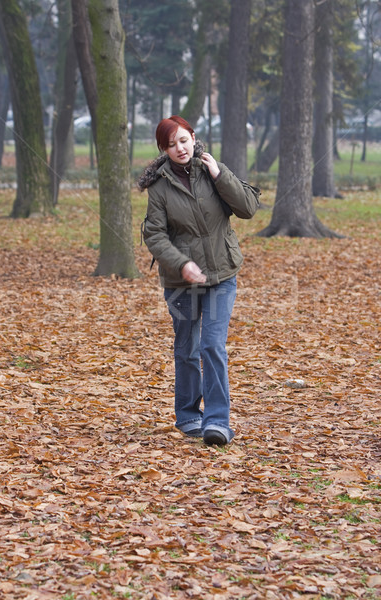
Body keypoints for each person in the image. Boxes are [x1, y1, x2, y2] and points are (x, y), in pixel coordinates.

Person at [139, 115, 260, 446]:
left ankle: (217, 421)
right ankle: (189, 414)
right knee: (187, 348)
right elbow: (155, 235)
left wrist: (221, 177)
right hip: (181, 283)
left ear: (193, 138)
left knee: (212, 345)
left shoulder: (212, 171)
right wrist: (182, 265)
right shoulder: (160, 187)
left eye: (183, 140)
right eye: (170, 144)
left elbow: (249, 207)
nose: (179, 148)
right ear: (163, 150)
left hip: (222, 274)